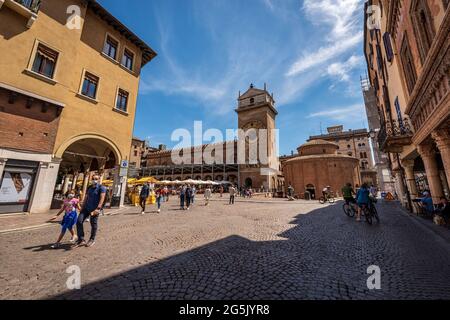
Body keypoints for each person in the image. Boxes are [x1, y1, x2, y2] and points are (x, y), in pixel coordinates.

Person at [74, 174, 106, 248]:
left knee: (93, 224)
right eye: (93, 178)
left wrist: (98, 208)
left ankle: (92, 239)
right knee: (79, 221)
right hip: (86, 208)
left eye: (96, 178)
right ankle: (81, 239)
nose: (94, 180)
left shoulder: (102, 188)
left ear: (98, 180)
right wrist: (82, 206)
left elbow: (102, 198)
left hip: (94, 209)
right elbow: (86, 197)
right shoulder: (89, 187)